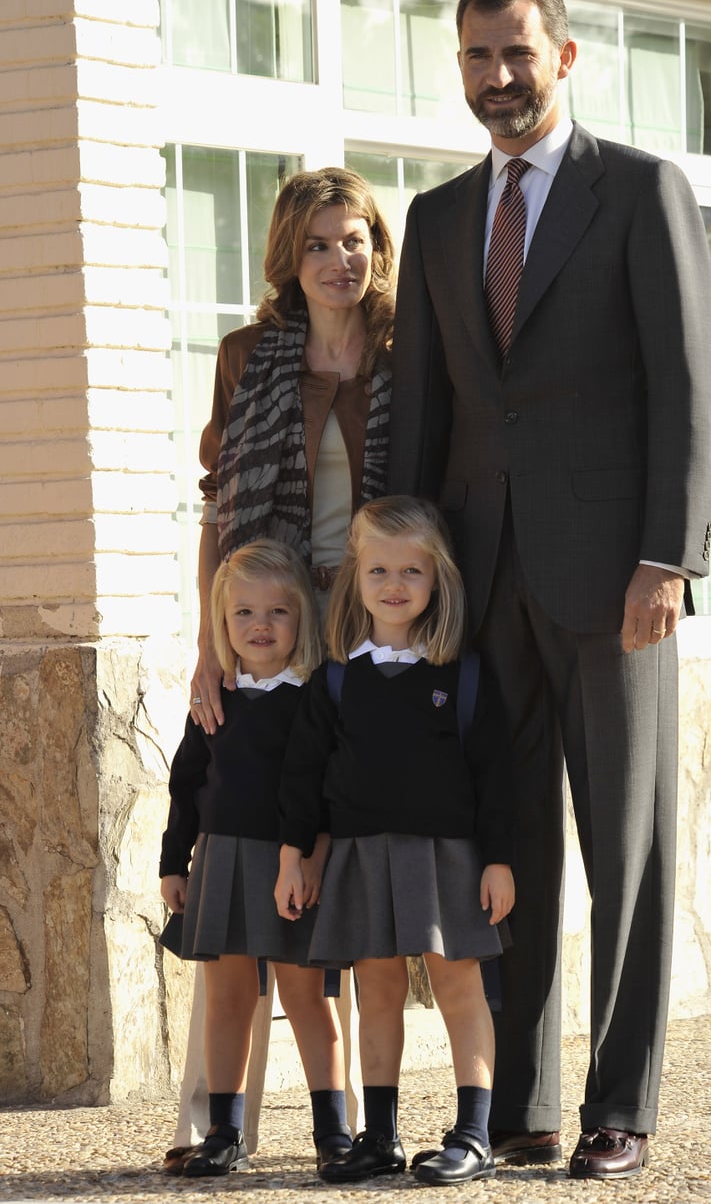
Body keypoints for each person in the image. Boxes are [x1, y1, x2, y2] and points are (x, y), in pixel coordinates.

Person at [386, 0, 711, 1182]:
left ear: (564, 58)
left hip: (615, 583)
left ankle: (621, 1106)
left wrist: (665, 557)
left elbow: (690, 385)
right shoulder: (432, 221)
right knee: (505, 846)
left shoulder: (638, 191)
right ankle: (519, 1103)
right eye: (476, 57)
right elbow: (420, 417)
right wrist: (410, 582)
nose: (495, 78)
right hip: (481, 588)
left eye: (516, 54)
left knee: (626, 850)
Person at [164, 167, 396, 1170]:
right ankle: (220, 1125)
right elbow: (221, 511)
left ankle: (347, 1120)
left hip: (380, 618)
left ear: (377, 248)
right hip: (276, 615)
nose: (338, 260)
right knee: (246, 869)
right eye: (317, 243)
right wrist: (213, 644)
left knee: (334, 858)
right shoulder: (248, 356)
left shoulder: (408, 348)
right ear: (285, 257)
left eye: (355, 240)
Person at [275, 495, 515, 1187]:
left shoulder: (462, 674)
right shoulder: (338, 678)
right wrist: (296, 854)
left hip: (449, 857)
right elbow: (304, 775)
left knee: (458, 987)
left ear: (438, 577)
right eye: (378, 569)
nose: (395, 584)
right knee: (375, 992)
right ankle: (379, 1134)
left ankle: (473, 1134)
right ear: (356, 575)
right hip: (359, 854)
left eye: (412, 569)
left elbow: (495, 773)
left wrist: (498, 859)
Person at [160, 540, 352, 1177]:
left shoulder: (313, 697)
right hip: (220, 863)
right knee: (228, 1000)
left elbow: (326, 789)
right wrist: (173, 863)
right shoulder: (214, 701)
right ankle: (224, 1130)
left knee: (306, 999)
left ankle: (334, 1131)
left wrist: (311, 859)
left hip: (287, 866)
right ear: (221, 624)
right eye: (243, 614)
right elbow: (186, 785)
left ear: (303, 619)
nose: (260, 626)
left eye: (277, 612)